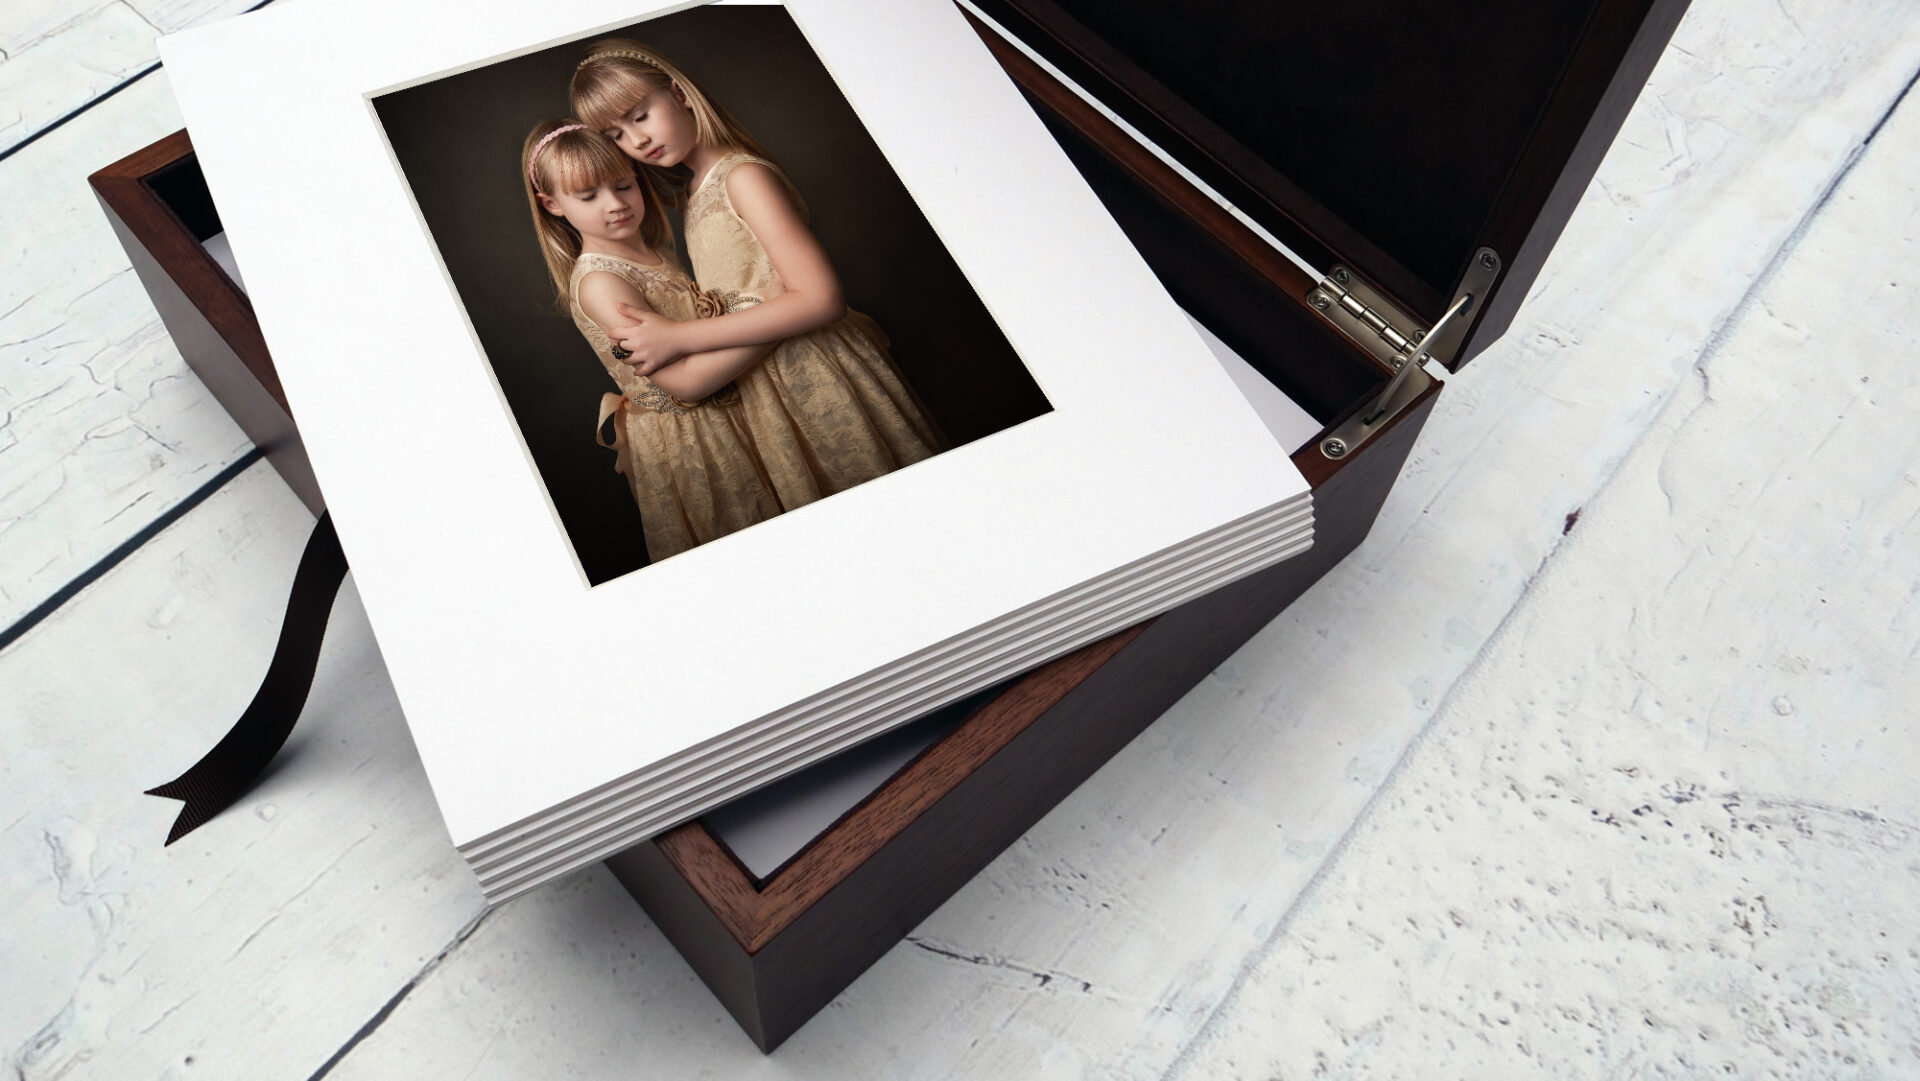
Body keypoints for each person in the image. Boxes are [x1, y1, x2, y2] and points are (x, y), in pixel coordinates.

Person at [570, 40, 946, 511]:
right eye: (616, 135)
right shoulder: (694, 191)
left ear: (680, 93)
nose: (637, 141)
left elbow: (821, 299)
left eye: (640, 115)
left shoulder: (742, 176)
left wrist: (682, 337)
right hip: (767, 391)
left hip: (814, 374)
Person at [522, 118, 783, 563]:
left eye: (624, 186)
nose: (615, 204)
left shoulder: (655, 252)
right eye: (588, 197)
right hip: (693, 439)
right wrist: (779, 319)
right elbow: (684, 384)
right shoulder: (602, 280)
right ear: (552, 205)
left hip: (729, 413)